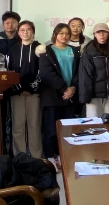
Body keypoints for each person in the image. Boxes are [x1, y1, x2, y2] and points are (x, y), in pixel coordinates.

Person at [37, 23, 80, 166]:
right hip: (52, 95)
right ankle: (50, 157)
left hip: (70, 96)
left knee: (67, 129)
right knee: (51, 129)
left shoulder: (74, 50)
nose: (64, 36)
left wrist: (72, 88)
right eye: (61, 33)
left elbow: (78, 71)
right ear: (55, 34)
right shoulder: (46, 50)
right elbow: (46, 73)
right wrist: (64, 89)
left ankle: (63, 155)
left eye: (67, 33)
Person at [5, 20, 42, 159]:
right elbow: (9, 70)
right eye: (22, 30)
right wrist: (19, 88)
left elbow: (43, 71)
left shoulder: (40, 48)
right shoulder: (12, 50)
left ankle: (36, 156)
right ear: (18, 32)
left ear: (33, 31)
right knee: (18, 125)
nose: (25, 32)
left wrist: (31, 88)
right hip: (16, 93)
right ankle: (19, 156)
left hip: (35, 93)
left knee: (34, 124)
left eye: (28, 29)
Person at [79, 23, 109, 117]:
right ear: (94, 34)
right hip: (93, 96)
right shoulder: (88, 51)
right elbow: (85, 76)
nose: (102, 35)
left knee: (108, 121)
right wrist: (85, 97)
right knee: (94, 122)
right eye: (98, 32)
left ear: (108, 34)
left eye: (104, 32)